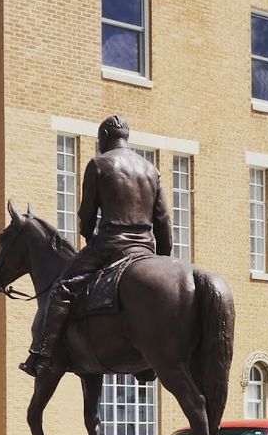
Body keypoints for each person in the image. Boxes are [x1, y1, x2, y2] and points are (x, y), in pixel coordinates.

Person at [20, 114, 173, 377]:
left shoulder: (99, 164)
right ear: (125, 138)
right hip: (145, 249)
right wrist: (162, 258)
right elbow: (163, 219)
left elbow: (86, 215)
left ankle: (43, 355)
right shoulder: (151, 169)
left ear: (103, 139)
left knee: (62, 287)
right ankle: (147, 365)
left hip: (111, 244)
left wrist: (88, 237)